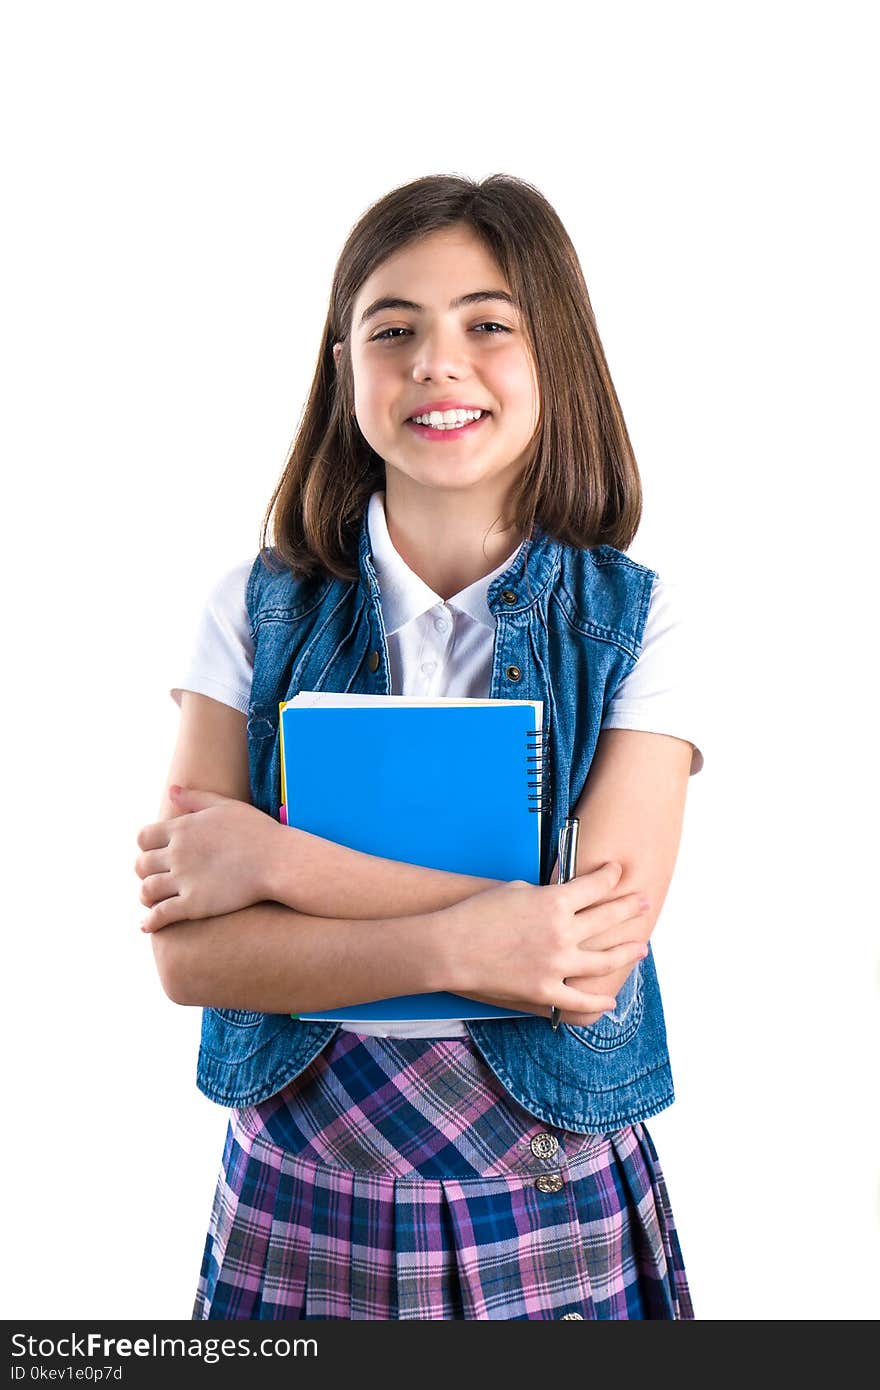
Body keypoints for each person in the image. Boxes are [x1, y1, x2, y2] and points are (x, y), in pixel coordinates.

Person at [134, 173, 703, 1321]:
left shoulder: (642, 620)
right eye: (392, 331)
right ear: (344, 369)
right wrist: (476, 938)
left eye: (488, 325)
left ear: (559, 361)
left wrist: (276, 866)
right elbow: (194, 961)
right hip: (300, 1181)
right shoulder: (253, 609)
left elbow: (583, 965)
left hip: (546, 1189)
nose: (437, 363)